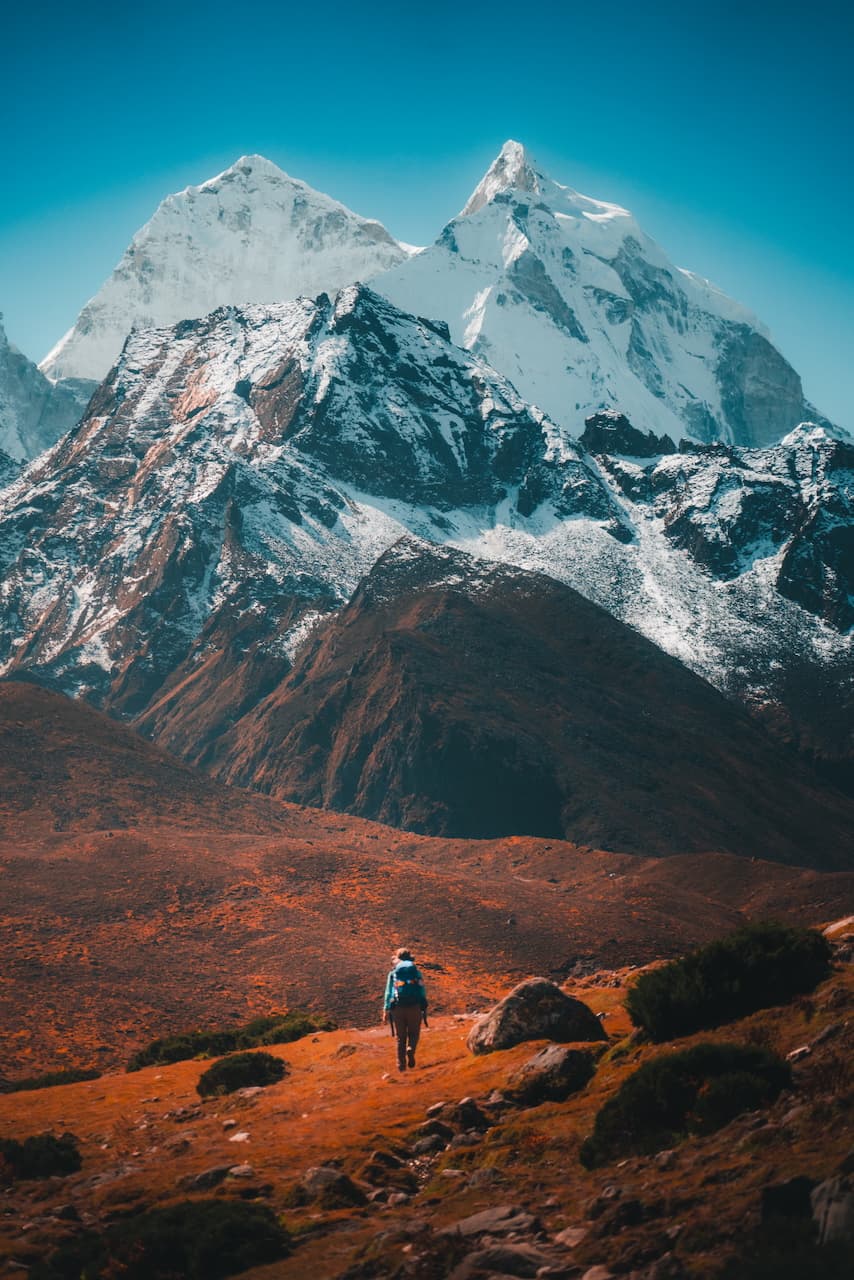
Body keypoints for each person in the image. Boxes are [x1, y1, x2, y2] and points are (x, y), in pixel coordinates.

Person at [382, 947, 428, 1072]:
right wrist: (422, 1002)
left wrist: (385, 1010)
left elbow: (388, 992)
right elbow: (422, 989)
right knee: (414, 1033)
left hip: (398, 1007)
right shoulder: (415, 972)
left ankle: (401, 1066)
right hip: (414, 1006)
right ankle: (411, 1049)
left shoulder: (393, 973)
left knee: (400, 1038)